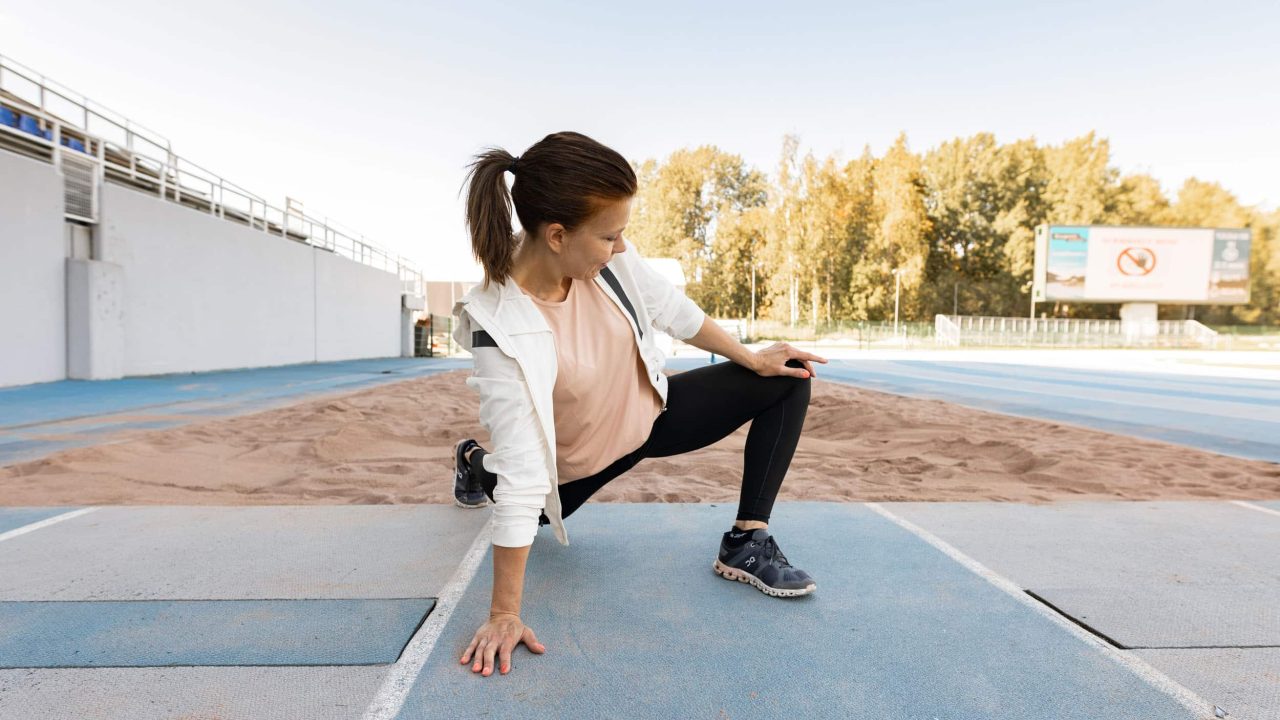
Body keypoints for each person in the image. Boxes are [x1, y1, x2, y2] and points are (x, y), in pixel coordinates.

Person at [449, 131, 826, 678]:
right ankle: (470, 460)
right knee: (511, 484)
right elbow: (528, 470)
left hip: (652, 418)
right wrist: (504, 613)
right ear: (556, 235)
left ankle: (747, 539)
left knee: (787, 379)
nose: (621, 246)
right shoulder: (498, 324)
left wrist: (752, 357)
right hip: (578, 465)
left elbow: (672, 309)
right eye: (610, 236)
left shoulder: (605, 258)